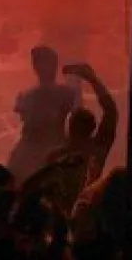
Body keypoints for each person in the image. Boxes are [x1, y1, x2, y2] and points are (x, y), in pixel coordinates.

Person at [22, 62, 119, 212]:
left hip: (62, 215)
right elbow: (111, 111)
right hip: (85, 212)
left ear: (69, 128)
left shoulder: (55, 157)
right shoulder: (95, 151)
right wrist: (92, 80)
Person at [8, 45, 82, 180]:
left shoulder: (66, 93)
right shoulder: (25, 96)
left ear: (54, 64)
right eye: (37, 62)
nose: (39, 67)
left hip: (55, 147)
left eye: (43, 61)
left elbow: (77, 119)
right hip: (29, 152)